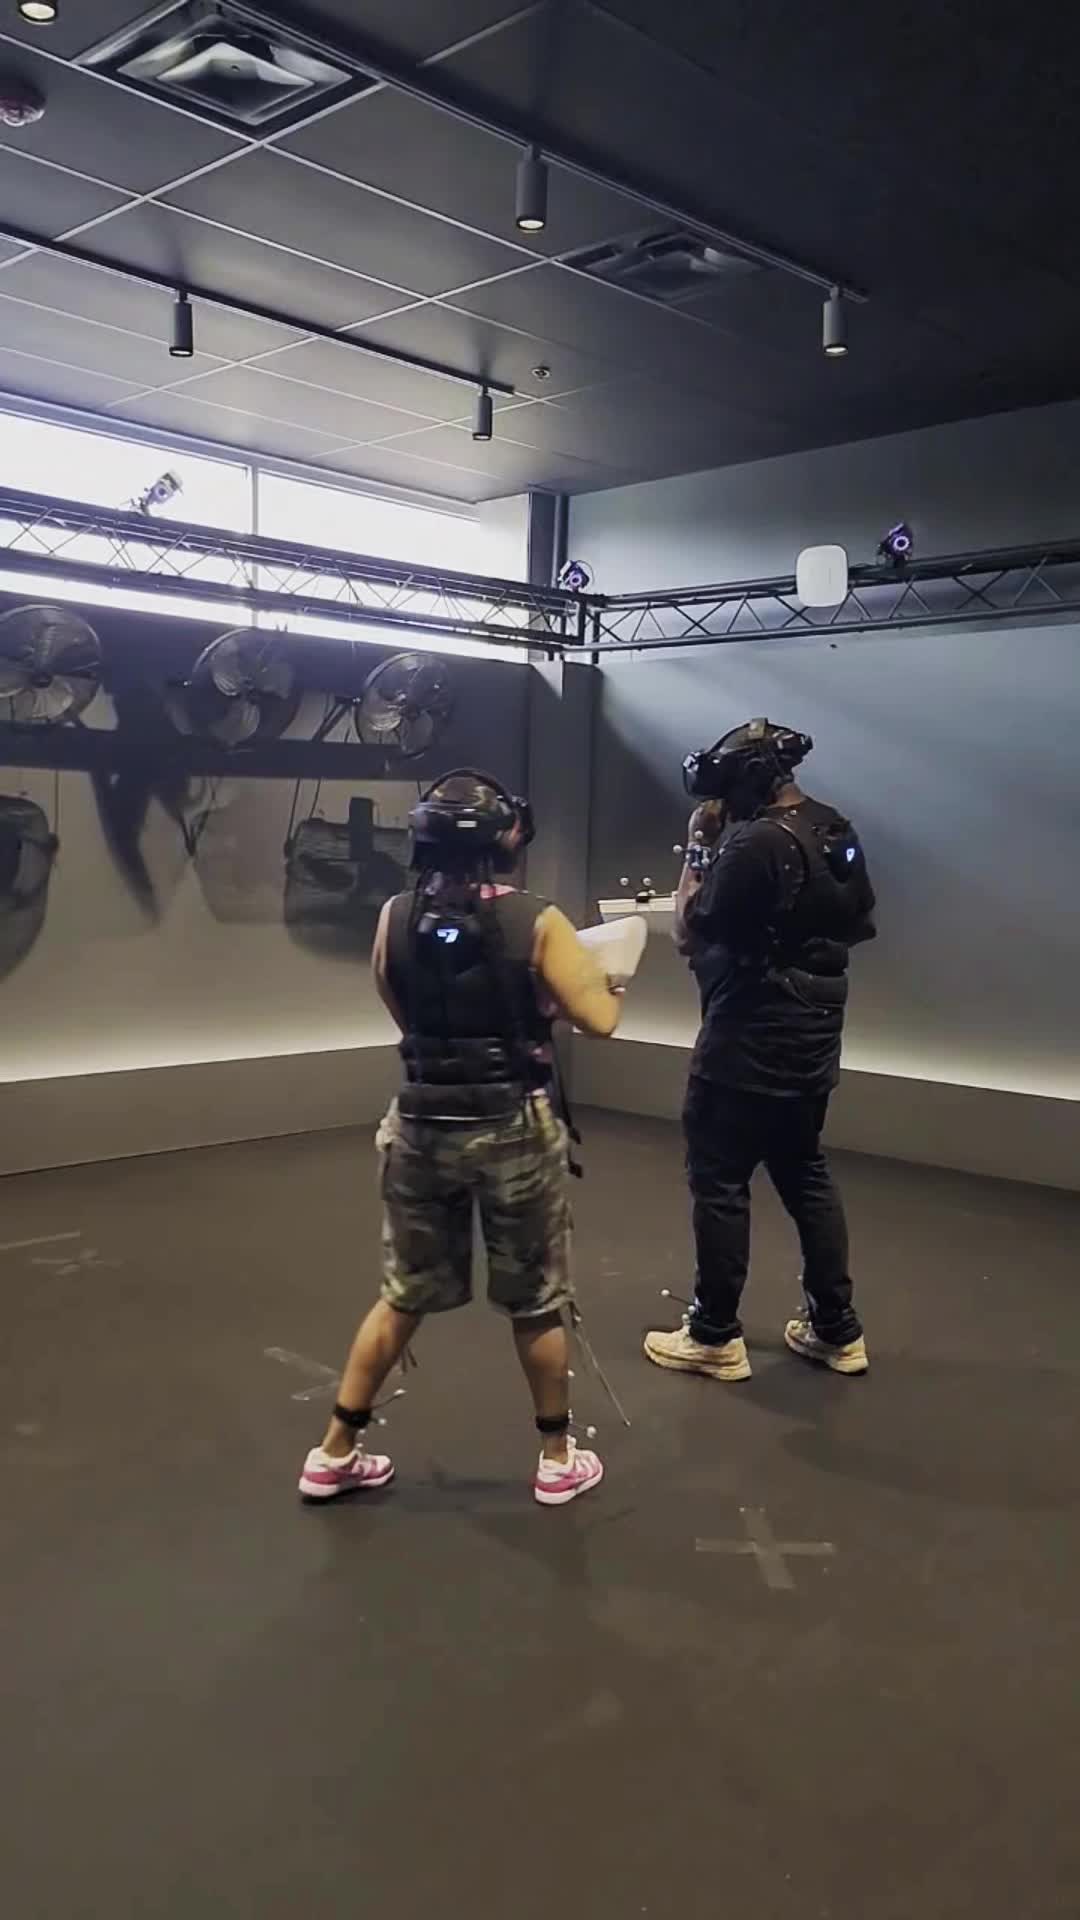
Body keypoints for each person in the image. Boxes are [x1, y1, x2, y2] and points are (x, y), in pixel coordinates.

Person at [298, 769, 622, 1509]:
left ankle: (333, 1452)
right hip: (513, 1126)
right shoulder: (539, 921)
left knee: (401, 1295)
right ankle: (556, 1459)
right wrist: (602, 985)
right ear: (507, 840)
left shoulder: (394, 916)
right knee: (535, 1301)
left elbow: (401, 1006)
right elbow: (601, 1021)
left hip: (419, 1123)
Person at [644, 719, 876, 1383]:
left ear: (746, 783)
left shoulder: (754, 844)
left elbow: (688, 930)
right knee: (804, 1171)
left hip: (748, 1037)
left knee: (719, 1181)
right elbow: (857, 920)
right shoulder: (832, 826)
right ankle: (836, 1328)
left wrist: (697, 847)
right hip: (815, 1032)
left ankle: (714, 1335)